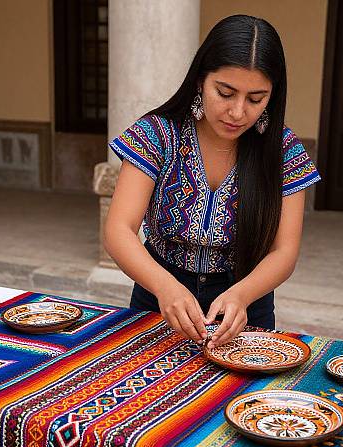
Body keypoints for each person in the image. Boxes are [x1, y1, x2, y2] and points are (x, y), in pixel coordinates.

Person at [104, 14, 320, 348]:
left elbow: (284, 251)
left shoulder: (283, 151)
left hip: (245, 302)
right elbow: (119, 229)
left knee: (237, 398)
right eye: (225, 92)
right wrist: (165, 287)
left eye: (255, 99)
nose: (237, 112)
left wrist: (241, 295)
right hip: (159, 293)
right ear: (200, 80)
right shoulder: (158, 134)